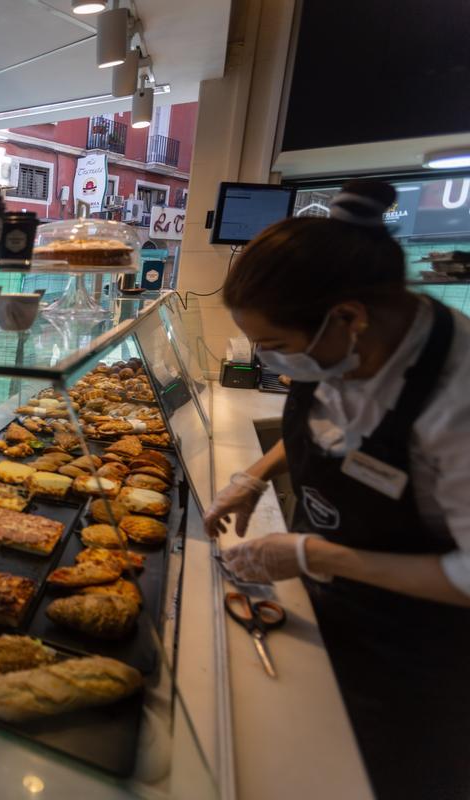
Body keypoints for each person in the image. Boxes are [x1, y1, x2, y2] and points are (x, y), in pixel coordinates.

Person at [205, 179, 470, 799]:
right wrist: (255, 476)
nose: (274, 364)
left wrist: (312, 556)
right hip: (332, 605)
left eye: (276, 348)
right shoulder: (342, 348)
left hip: (419, 651)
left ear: (347, 317)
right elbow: (328, 422)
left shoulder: (457, 401)